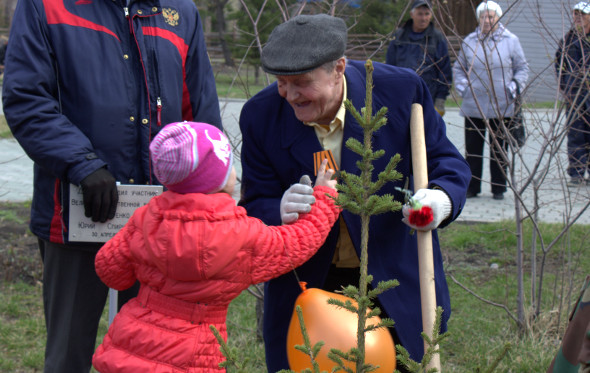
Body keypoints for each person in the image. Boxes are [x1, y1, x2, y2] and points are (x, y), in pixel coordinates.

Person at [238, 13, 471, 371]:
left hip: (390, 275)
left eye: (301, 82)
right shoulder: (261, 115)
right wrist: (277, 208)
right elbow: (254, 203)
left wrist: (439, 199)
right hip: (309, 284)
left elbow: (446, 161)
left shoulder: (401, 92)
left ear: (339, 69)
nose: (289, 95)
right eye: (281, 82)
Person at [1, 1, 222, 371]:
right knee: (69, 352)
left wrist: (206, 194)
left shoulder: (180, 12)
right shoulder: (46, 6)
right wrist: (81, 163)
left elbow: (200, 113)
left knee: (154, 352)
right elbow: (26, 98)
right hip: (74, 216)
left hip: (160, 223)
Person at [92, 121, 340, 372]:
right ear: (219, 180)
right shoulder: (241, 235)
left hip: (131, 345)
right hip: (196, 353)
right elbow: (299, 242)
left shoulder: (146, 217)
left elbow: (109, 270)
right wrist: (324, 198)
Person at [453, 0, 529, 200]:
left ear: (498, 17)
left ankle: (498, 188)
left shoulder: (510, 40)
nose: (487, 20)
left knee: (499, 150)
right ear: (479, 19)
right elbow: (459, 68)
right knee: (473, 150)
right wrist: (463, 88)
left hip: (502, 106)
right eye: (483, 17)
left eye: (491, 16)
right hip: (473, 106)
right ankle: (472, 187)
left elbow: (522, 68)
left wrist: (513, 88)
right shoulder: (470, 40)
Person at [386, 0, 452, 117]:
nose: (424, 18)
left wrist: (440, 100)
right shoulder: (399, 37)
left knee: (424, 134)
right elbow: (389, 68)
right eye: (420, 14)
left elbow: (444, 72)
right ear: (412, 14)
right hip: (400, 96)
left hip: (427, 98)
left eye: (427, 14)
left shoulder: (437, 38)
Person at [555, 1, 590, 187]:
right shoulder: (568, 39)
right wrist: (566, 87)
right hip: (574, 95)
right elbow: (559, 66)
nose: (578, 18)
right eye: (576, 14)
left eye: (582, 15)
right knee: (575, 134)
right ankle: (576, 172)